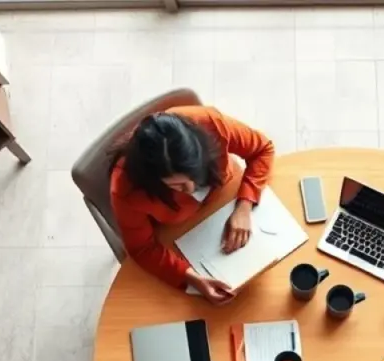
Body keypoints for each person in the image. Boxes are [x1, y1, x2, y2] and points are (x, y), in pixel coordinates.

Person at [110, 106, 275, 305]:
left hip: (228, 198)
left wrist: (244, 206)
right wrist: (191, 278)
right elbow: (142, 248)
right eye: (176, 185)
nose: (191, 188)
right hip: (179, 234)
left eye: (194, 174)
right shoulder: (126, 189)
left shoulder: (211, 124)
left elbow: (262, 149)